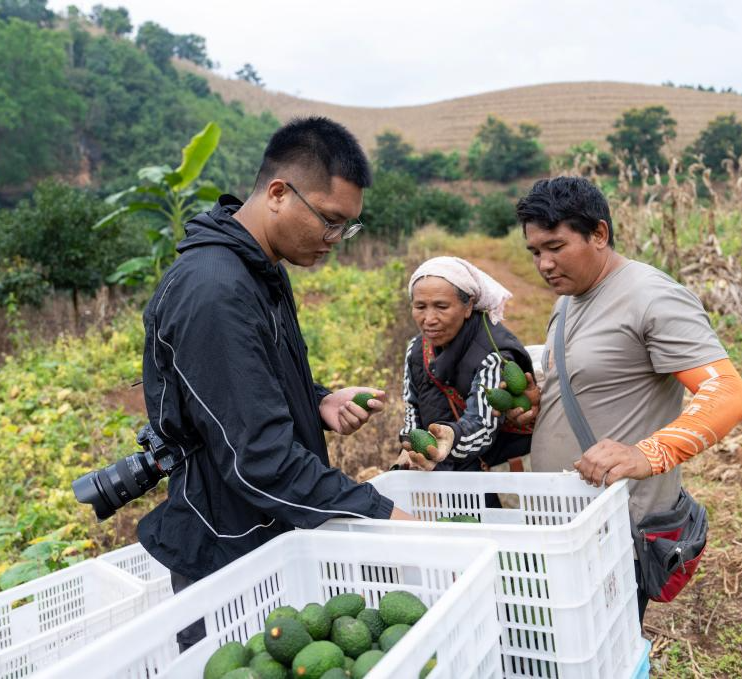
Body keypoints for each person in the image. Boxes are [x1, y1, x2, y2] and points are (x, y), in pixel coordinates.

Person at [137, 117, 412, 647]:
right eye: (331, 221)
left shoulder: (260, 269)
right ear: (280, 194)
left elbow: (242, 384)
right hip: (227, 556)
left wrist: (320, 400)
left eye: (347, 227)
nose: (336, 239)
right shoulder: (214, 290)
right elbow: (257, 459)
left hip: (269, 538)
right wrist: (381, 513)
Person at [511, 176, 742, 623]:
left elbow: (729, 394)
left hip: (618, 527)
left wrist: (648, 453)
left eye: (556, 247)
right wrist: (539, 406)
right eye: (535, 252)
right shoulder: (568, 300)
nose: (544, 264)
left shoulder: (650, 296)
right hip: (563, 519)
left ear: (599, 234)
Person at [396, 257, 532, 474]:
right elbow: (412, 404)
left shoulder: (493, 353)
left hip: (484, 470)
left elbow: (483, 424)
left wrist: (451, 437)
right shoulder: (416, 348)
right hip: (443, 468)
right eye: (420, 306)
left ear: (468, 305)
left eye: (441, 306)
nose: (429, 319)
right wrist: (410, 441)